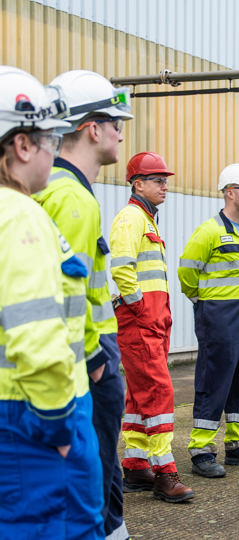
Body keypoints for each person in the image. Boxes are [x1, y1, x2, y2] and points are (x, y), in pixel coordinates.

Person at [0, 65, 104, 539]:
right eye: (48, 139)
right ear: (22, 145)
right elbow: (36, 334)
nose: (53, 151)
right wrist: (61, 430)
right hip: (32, 418)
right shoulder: (21, 217)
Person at [37, 68, 132, 539]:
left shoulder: (58, 190)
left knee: (104, 472)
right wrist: (97, 362)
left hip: (86, 361)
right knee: (93, 477)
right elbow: (62, 295)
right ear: (92, 129)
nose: (120, 133)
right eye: (117, 123)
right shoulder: (72, 199)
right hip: (88, 365)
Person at [178, 163, 239, 478]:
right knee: (214, 380)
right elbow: (186, 272)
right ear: (230, 192)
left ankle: (238, 445)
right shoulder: (209, 231)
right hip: (219, 315)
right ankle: (201, 449)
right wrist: (203, 304)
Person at [110, 151, 194, 502]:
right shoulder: (131, 218)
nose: (164, 186)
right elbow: (121, 267)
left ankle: (135, 466)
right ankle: (164, 473)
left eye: (165, 181)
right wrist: (139, 307)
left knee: (139, 396)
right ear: (137, 183)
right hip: (141, 321)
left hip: (152, 321)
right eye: (158, 180)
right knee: (159, 394)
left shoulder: (146, 219)